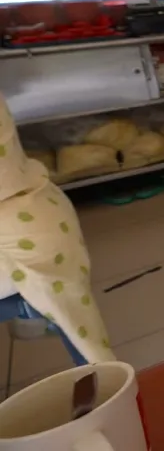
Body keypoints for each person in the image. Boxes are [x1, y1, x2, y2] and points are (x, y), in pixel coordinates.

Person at [0, 92, 113, 364]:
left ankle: (35, 307)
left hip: (21, 231)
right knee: (84, 337)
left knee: (85, 342)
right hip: (42, 213)